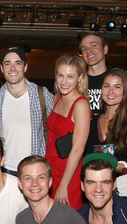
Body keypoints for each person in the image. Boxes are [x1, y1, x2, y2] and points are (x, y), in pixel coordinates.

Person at [0, 46, 54, 176]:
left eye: (18, 63)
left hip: (34, 170)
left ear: (25, 67)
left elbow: (55, 131)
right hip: (4, 169)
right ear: (1, 68)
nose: (12, 68)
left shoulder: (42, 95)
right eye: (7, 64)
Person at [45, 54, 90, 209]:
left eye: (70, 76)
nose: (64, 81)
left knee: (66, 223)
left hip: (68, 174)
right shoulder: (58, 97)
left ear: (80, 77)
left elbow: (78, 149)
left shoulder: (81, 104)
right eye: (60, 75)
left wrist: (64, 184)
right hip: (50, 169)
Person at [84, 68, 127, 177]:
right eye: (106, 86)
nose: (110, 92)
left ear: (125, 91)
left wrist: (113, 166)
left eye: (117, 87)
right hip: (95, 186)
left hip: (122, 189)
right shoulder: (92, 122)